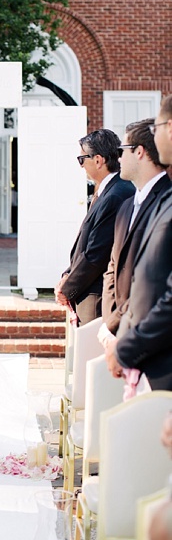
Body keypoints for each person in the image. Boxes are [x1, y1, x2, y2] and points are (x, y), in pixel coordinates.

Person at [106, 95, 172, 390]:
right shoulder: (157, 201)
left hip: (156, 355)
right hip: (139, 349)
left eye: (158, 127)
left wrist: (127, 345)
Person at [55, 129, 135, 325]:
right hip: (88, 288)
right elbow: (86, 242)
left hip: (97, 295)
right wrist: (67, 274)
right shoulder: (108, 190)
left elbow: (97, 253)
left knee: (91, 354)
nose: (81, 166)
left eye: (81, 159)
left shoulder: (116, 194)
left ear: (98, 160)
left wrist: (68, 288)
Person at [102, 118, 170, 335]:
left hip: (147, 332)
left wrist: (118, 323)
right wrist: (110, 321)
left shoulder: (166, 202)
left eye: (123, 150)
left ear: (139, 152)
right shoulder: (125, 207)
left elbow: (154, 279)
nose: (119, 158)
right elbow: (113, 267)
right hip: (118, 330)